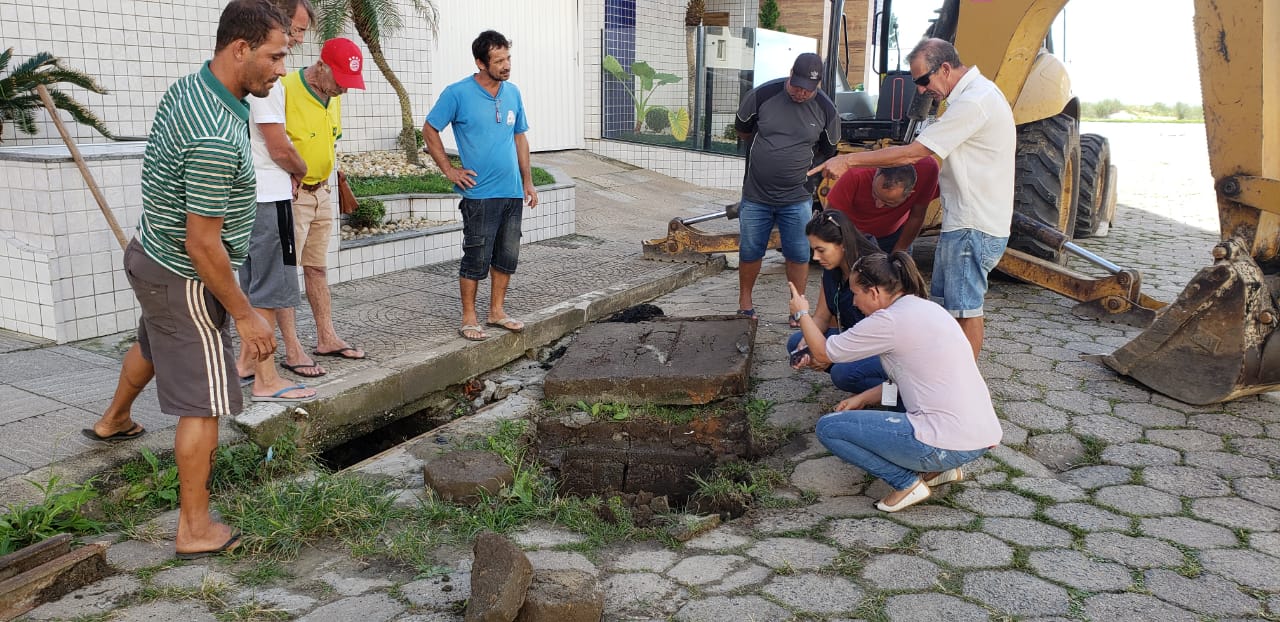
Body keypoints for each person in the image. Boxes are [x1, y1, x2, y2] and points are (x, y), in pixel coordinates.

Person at [85, 0, 289, 557]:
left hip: (149, 255)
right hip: (185, 277)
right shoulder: (216, 138)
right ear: (239, 49)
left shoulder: (195, 88)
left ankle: (114, 420)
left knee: (152, 342)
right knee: (204, 402)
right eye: (275, 56)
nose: (281, 68)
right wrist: (245, 315)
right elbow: (203, 244)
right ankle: (194, 528)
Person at [808, 38, 1015, 358]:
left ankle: (961, 383)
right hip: (965, 222)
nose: (920, 90)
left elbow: (914, 154)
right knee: (949, 308)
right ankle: (943, 369)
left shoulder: (973, 102)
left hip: (975, 225)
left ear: (945, 68)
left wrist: (848, 160)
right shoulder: (976, 96)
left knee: (964, 310)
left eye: (922, 80)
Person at [788, 252, 1001, 512]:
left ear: (874, 292)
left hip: (948, 440)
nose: (854, 303)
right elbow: (906, 378)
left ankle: (906, 482)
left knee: (828, 428)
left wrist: (801, 313)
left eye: (856, 294)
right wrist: (863, 398)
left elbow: (822, 353)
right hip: (980, 437)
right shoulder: (925, 307)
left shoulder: (888, 321)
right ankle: (939, 470)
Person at [422, 30, 538, 342]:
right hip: (479, 194)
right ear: (480, 62)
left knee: (507, 255)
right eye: (498, 60)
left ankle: (496, 311)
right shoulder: (457, 93)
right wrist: (449, 169)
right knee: (477, 256)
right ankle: (469, 316)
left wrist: (527, 182)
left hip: (511, 191)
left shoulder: (513, 92)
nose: (506, 65)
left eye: (508, 58)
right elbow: (430, 129)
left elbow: (520, 137)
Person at [236, 0, 320, 402]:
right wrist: (301, 170)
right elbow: (277, 145)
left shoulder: (244, 74)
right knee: (269, 290)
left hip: (247, 197)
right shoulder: (267, 79)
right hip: (268, 197)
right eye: (297, 30)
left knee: (253, 286)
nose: (299, 41)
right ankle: (266, 379)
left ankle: (246, 363)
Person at [734, 52, 840, 326]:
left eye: (808, 89)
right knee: (750, 250)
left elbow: (829, 151)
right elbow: (743, 130)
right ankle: (745, 303)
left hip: (797, 198)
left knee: (798, 253)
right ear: (790, 73)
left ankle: (797, 306)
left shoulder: (826, 110)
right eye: (797, 85)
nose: (801, 93)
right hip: (756, 195)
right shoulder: (763, 95)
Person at [279, 37, 367, 361]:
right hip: (291, 196)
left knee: (317, 269)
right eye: (341, 81)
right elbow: (267, 140)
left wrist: (334, 179)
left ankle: (326, 337)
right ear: (321, 66)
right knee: (284, 274)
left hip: (322, 193)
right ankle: (291, 348)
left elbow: (329, 142)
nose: (344, 89)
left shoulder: (333, 95)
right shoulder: (285, 88)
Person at [785, 210, 889, 398]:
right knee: (797, 342)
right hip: (854, 338)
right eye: (813, 250)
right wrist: (807, 344)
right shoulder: (833, 269)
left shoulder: (871, 272)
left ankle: (895, 395)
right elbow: (822, 317)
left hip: (883, 348)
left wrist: (828, 355)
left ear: (842, 245)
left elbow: (876, 336)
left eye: (821, 250)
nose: (815, 257)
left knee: (842, 373)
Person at [824, 159, 939, 253]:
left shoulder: (928, 170)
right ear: (876, 174)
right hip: (851, 237)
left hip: (894, 236)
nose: (878, 205)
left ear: (909, 194)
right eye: (875, 194)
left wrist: (899, 252)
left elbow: (917, 216)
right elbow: (830, 217)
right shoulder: (856, 175)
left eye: (888, 203)